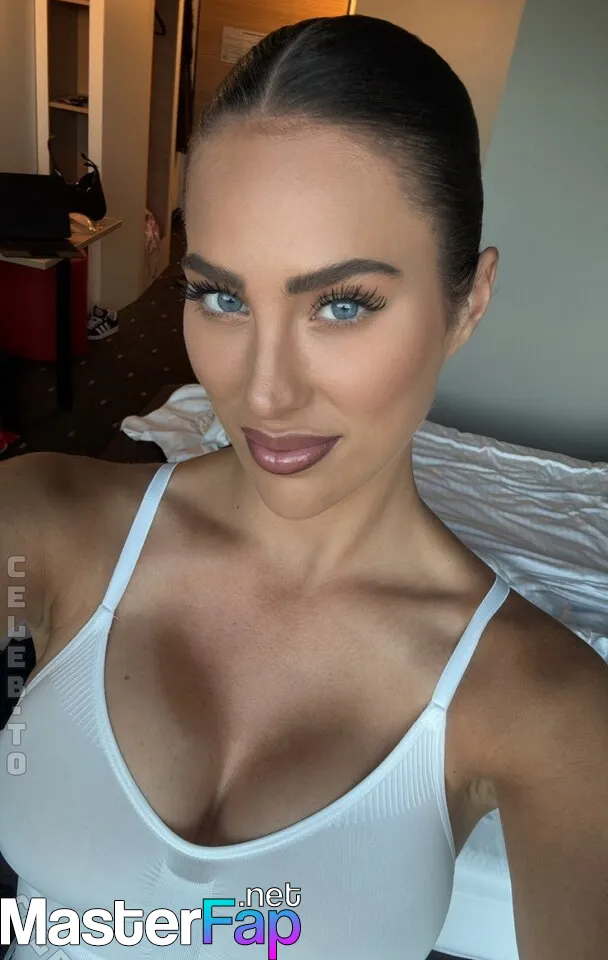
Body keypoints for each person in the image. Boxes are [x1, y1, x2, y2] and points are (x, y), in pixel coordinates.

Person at [0, 15, 606, 960]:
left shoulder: (547, 704)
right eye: (222, 296)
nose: (264, 392)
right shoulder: (39, 523)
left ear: (469, 303)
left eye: (342, 304)